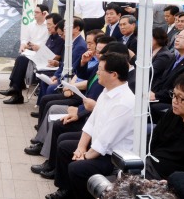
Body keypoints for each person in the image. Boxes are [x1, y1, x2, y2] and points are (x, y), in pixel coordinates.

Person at [46, 52, 136, 199]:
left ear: (113, 74)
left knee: (77, 167)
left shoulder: (124, 102)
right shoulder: (107, 91)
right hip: (99, 147)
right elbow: (92, 122)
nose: (97, 72)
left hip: (112, 158)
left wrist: (85, 156)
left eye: (100, 69)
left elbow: (105, 140)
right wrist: (81, 147)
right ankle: (66, 190)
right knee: (64, 146)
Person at [0, 11, 60, 105]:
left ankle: (16, 91)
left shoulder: (60, 37)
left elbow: (58, 56)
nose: (47, 26)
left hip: (49, 63)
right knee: (21, 58)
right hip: (41, 57)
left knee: (22, 60)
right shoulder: (51, 35)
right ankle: (15, 89)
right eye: (47, 24)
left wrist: (39, 49)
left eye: (49, 24)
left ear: (56, 25)